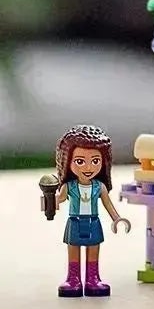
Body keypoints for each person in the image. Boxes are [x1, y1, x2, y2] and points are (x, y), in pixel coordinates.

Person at [50, 124, 131, 298]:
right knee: (73, 249)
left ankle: (92, 279)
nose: (88, 167)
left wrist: (117, 218)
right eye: (80, 161)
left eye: (95, 161)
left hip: (94, 221)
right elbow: (60, 199)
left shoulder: (99, 186)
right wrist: (49, 199)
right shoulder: (69, 186)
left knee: (93, 249)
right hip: (75, 222)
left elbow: (108, 204)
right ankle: (73, 279)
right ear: (67, 162)